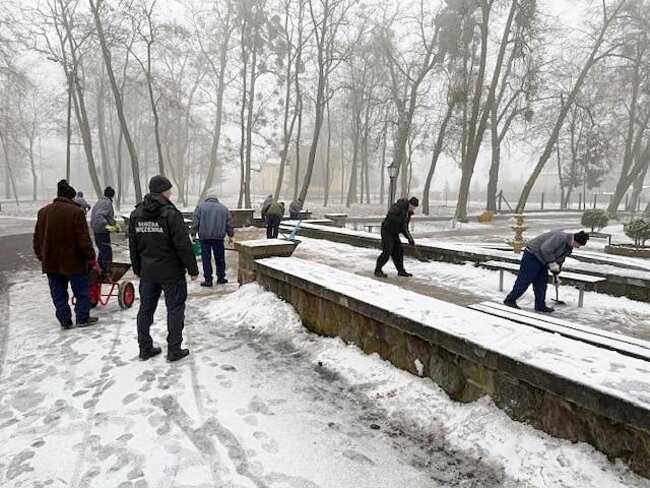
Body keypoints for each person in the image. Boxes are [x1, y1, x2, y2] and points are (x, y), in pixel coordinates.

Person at [129, 175, 199, 362]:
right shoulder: (170, 214)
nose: (171, 193)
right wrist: (192, 269)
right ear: (163, 191)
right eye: (169, 190)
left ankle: (144, 348)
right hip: (171, 273)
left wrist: (137, 268)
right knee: (175, 309)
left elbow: (133, 245)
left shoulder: (136, 214)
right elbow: (183, 245)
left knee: (145, 310)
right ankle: (174, 349)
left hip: (148, 272)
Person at [33, 179, 98, 329]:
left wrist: (41, 256)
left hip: (51, 262)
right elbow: (84, 239)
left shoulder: (43, 212)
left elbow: (37, 238)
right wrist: (91, 257)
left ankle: (65, 320)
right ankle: (82, 318)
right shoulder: (76, 212)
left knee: (58, 293)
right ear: (71, 197)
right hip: (74, 261)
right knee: (81, 291)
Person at [504, 230, 589, 313]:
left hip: (544, 260)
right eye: (578, 245)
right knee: (526, 279)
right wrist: (552, 263)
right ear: (574, 240)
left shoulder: (568, 247)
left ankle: (540, 305)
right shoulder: (559, 237)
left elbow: (560, 260)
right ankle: (510, 300)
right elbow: (545, 249)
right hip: (533, 255)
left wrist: (556, 275)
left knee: (541, 282)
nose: (578, 247)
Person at [190, 192, 234, 287]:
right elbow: (229, 223)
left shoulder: (200, 207)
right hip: (218, 238)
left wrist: (193, 234)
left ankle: (208, 280)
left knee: (206, 259)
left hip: (204, 238)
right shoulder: (223, 208)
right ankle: (221, 277)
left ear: (207, 198)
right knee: (220, 258)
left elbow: (195, 222)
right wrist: (230, 235)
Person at [374, 197, 419, 278]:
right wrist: (400, 222)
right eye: (412, 207)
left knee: (399, 250)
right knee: (387, 251)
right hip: (387, 230)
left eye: (414, 208)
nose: (412, 209)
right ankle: (378, 270)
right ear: (409, 203)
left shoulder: (408, 214)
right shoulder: (399, 206)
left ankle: (401, 271)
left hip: (394, 233)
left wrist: (410, 238)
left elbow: (404, 228)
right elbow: (390, 215)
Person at [90, 186, 116, 274]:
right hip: (102, 231)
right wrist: (107, 226)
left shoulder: (99, 202)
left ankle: (99, 270)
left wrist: (113, 223)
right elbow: (99, 216)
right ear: (112, 195)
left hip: (97, 230)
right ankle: (106, 272)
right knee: (107, 252)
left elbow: (107, 216)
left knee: (102, 251)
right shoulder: (106, 203)